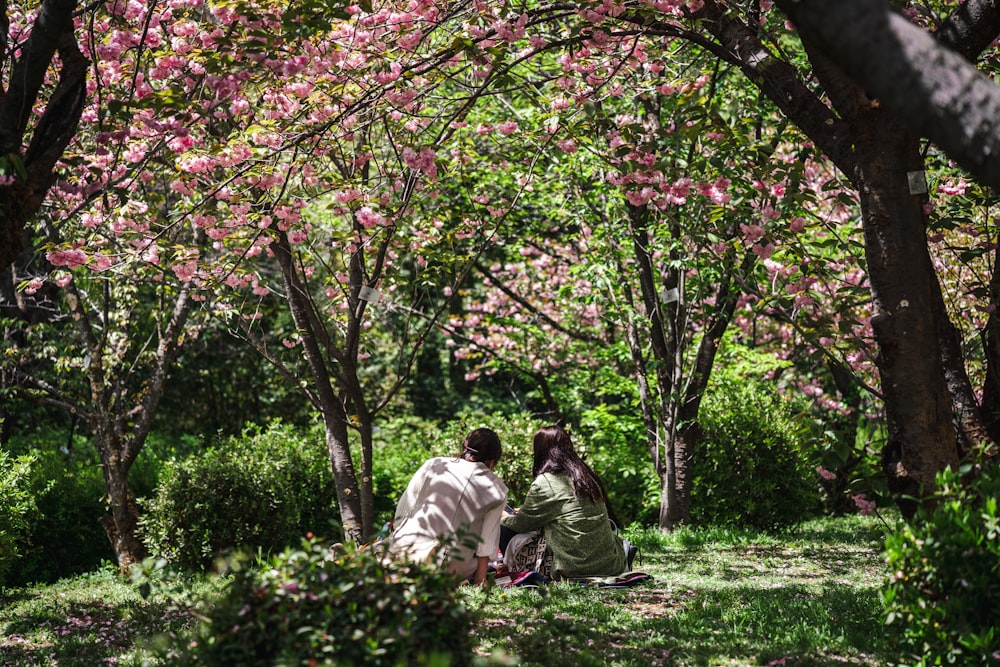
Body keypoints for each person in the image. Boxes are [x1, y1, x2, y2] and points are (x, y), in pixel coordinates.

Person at [500, 425, 626, 579]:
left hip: (572, 566)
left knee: (503, 528)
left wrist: (503, 517)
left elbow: (522, 524)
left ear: (539, 451)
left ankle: (508, 569)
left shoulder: (545, 481)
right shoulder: (586, 477)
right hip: (609, 564)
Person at [387, 427, 508, 585]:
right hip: (452, 567)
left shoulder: (434, 464)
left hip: (407, 550)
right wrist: (480, 579)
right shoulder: (498, 489)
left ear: (465, 447)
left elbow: (405, 508)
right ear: (493, 460)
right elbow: (486, 541)